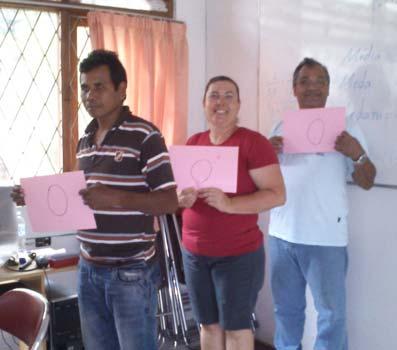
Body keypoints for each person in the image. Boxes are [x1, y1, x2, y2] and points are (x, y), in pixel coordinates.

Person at [12, 49, 178, 350]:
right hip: (88, 269)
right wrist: (32, 197)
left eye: (99, 86)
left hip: (131, 272)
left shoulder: (145, 135)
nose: (90, 95)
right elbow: (74, 194)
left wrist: (115, 198)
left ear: (121, 88)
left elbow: (169, 201)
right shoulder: (85, 141)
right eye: (85, 87)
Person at [268, 57, 376, 350]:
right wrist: (267, 155)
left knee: (331, 317)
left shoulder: (347, 126)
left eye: (320, 82)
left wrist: (357, 154)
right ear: (294, 89)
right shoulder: (280, 126)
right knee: (286, 314)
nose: (312, 88)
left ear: (328, 89)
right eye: (304, 81)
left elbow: (367, 180)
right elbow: (261, 182)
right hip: (281, 236)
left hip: (326, 238)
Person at [178, 76, 286, 350]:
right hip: (195, 254)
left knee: (236, 330)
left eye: (229, 96)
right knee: (208, 326)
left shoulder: (253, 143)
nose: (221, 102)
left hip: (238, 256)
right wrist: (182, 199)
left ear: (238, 105)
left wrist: (230, 205)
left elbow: (277, 194)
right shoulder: (194, 142)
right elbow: (179, 196)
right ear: (204, 104)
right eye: (214, 95)